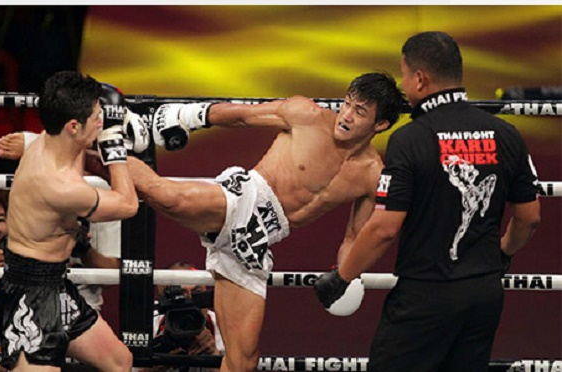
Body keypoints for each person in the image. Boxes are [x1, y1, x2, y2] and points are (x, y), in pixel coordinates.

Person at [86, 72, 405, 371]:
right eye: (347, 102)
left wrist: (344, 277)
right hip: (246, 198)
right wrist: (184, 116)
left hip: (259, 240)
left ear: (381, 124)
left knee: (243, 361)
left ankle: (105, 155)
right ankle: (103, 140)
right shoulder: (306, 115)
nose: (347, 114)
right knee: (168, 196)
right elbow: (241, 114)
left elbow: (353, 237)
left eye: (360, 111)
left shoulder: (371, 174)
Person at [314, 31, 541, 371]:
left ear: (420, 78)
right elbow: (529, 217)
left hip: (425, 295)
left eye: (404, 75)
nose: (404, 86)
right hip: (484, 294)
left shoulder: (411, 139)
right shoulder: (506, 134)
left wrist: (341, 277)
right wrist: (503, 253)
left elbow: (385, 229)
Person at [0, 70, 139, 372]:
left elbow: (76, 150)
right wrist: (114, 148)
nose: (102, 122)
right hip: (28, 294)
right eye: (98, 116)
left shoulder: (49, 141)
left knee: (119, 361)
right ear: (74, 126)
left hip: (55, 283)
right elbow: (128, 204)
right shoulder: (59, 186)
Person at [0, 133, 123, 312]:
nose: (76, 170)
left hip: (82, 304)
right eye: (69, 159)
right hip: (30, 297)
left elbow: (110, 276)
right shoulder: (36, 186)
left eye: (82, 162)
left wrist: (84, 249)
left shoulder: (106, 198)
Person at [140, 261, 224, 372]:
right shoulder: (148, 329)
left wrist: (213, 355)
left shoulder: (225, 328)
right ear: (162, 300)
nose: (190, 303)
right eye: (181, 296)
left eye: (197, 293)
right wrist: (160, 360)